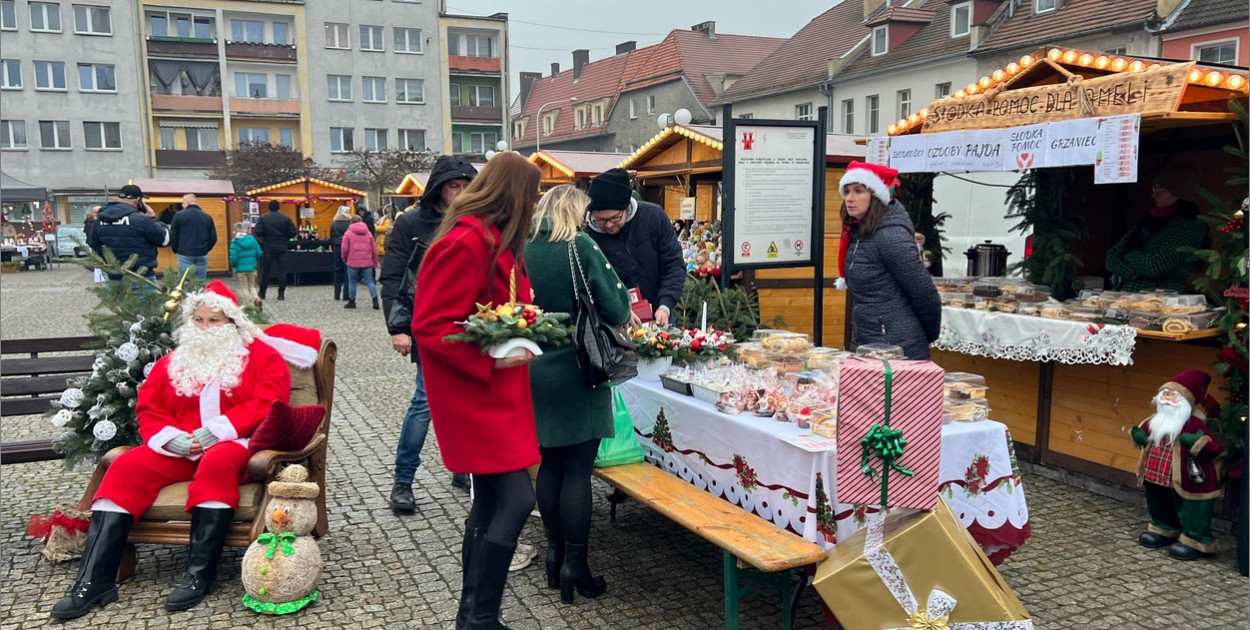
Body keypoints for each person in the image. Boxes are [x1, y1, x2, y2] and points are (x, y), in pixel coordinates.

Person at [50, 281, 290, 620]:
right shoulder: (175, 360)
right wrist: (168, 436)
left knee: (218, 463)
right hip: (178, 446)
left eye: (214, 321)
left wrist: (217, 431)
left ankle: (199, 574)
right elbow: (149, 406)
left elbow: (269, 402)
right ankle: (94, 581)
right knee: (125, 467)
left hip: (234, 443)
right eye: (199, 320)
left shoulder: (263, 356)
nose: (205, 328)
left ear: (233, 323)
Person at [411, 151, 542, 630]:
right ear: (515, 194)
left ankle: (474, 615)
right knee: (514, 501)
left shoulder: (494, 239)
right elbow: (429, 324)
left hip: (497, 394)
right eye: (534, 194)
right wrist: (491, 357)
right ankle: (480, 617)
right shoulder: (468, 241)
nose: (537, 203)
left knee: (492, 501)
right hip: (475, 395)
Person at [524, 185, 631, 604]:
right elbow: (617, 306)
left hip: (533, 367)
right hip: (579, 366)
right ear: (575, 211)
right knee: (578, 471)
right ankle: (576, 565)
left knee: (550, 463)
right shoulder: (578, 245)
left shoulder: (524, 246)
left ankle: (553, 556)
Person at [379, 156, 477, 512]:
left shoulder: (475, 222)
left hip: (471, 328)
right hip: (427, 326)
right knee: (424, 403)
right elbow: (393, 278)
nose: (462, 193)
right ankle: (403, 481)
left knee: (465, 405)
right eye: (455, 186)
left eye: (468, 186)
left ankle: (463, 467)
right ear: (439, 188)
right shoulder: (411, 223)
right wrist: (397, 328)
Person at [837, 161, 941, 360]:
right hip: (867, 339)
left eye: (858, 191)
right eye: (847, 191)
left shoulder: (890, 237)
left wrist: (923, 336)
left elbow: (925, 294)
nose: (850, 198)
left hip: (896, 346)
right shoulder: (859, 232)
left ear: (875, 196)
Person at [1130, 370, 1223, 561]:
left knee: (1193, 509)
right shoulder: (1154, 421)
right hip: (1156, 474)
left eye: (1173, 395)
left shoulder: (1192, 424)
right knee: (1159, 501)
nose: (1167, 398)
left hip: (1190, 477)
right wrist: (1137, 436)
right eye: (1165, 393)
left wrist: (1198, 442)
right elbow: (1141, 433)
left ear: (1185, 401)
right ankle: (1164, 528)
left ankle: (1195, 539)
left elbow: (1214, 448)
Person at [584, 168, 685, 327]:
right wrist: (618, 311)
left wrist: (665, 306)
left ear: (626, 207)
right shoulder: (588, 236)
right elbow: (590, 285)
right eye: (601, 220)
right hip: (615, 324)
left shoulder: (653, 217)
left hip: (659, 315)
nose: (609, 225)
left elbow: (673, 265)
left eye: (615, 218)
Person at [1105, 172, 1207, 292]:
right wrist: (1133, 273)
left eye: (1162, 190)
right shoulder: (1146, 220)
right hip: (1126, 294)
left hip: (1164, 296)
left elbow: (1155, 266)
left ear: (1179, 193)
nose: (1154, 195)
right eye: (1155, 188)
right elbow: (1111, 258)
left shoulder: (1191, 225)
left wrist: (1128, 254)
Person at [89, 184, 170, 281]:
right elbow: (165, 240)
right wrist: (153, 218)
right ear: (138, 200)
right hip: (141, 276)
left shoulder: (100, 220)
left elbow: (94, 246)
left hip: (113, 276)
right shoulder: (142, 220)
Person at [254, 200, 297, 301]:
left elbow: (258, 231)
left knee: (266, 270)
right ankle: (281, 293)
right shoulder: (285, 218)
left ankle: (262, 292)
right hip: (281, 245)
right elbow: (293, 232)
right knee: (282, 270)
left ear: (269, 207)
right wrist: (285, 237)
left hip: (268, 245)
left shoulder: (263, 218)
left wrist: (264, 238)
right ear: (278, 207)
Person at [170, 194, 217, 282]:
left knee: (185, 281)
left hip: (185, 253)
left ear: (187, 202)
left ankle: (186, 296)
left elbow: (174, 235)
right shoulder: (207, 217)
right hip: (202, 254)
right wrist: (206, 249)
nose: (182, 205)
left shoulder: (178, 216)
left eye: (183, 203)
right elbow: (213, 238)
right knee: (200, 282)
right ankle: (199, 295)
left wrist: (176, 249)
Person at [340, 215, 379, 310]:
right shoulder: (368, 233)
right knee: (369, 281)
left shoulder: (348, 233)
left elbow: (344, 249)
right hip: (367, 261)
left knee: (352, 282)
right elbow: (374, 248)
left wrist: (345, 259)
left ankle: (352, 302)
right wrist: (375, 261)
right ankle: (375, 300)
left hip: (352, 261)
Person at [229, 221, 262, 307]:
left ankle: (248, 305)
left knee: (244, 287)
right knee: (252, 286)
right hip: (251, 268)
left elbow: (233, 258)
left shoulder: (234, 243)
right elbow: (259, 253)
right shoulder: (252, 240)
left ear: (234, 232)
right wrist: (253, 261)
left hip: (241, 269)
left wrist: (234, 265)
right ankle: (256, 299)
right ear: (244, 230)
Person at [330, 206, 353, 301]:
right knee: (347, 270)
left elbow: (332, 236)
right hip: (348, 247)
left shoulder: (334, 223)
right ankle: (346, 294)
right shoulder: (349, 222)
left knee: (337, 269)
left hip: (337, 246)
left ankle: (337, 293)